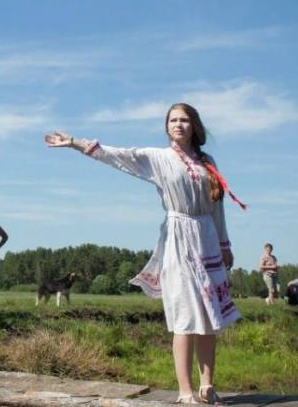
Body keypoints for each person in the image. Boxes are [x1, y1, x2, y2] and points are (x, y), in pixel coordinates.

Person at [45, 103, 244, 405]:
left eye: (185, 120)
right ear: (167, 127)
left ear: (195, 126)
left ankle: (207, 386)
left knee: (208, 316)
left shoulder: (208, 162)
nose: (178, 125)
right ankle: (185, 391)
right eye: (173, 120)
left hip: (207, 239)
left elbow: (217, 206)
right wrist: (75, 143)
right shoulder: (159, 158)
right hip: (179, 238)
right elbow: (118, 156)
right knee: (186, 315)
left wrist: (225, 245)